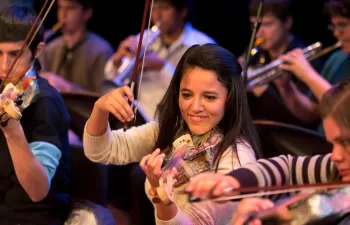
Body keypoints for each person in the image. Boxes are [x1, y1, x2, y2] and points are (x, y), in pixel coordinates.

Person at [84, 43, 261, 225]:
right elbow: (100, 151)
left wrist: (163, 199)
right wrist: (100, 108)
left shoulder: (237, 157)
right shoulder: (172, 130)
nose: (195, 107)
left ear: (230, 99)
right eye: (186, 95)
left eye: (209, 97)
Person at [185, 79, 350, 225]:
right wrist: (234, 182)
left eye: (345, 142)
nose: (336, 156)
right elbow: (287, 170)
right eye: (333, 144)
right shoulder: (333, 169)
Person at [0, 5, 70, 225]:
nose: (4, 66)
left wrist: (12, 132)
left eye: (14, 54)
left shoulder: (45, 101)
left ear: (38, 51)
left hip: (28, 218)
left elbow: (38, 191)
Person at [104, 0, 216, 122]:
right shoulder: (144, 37)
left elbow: (203, 90)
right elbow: (113, 78)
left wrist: (163, 67)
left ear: (183, 11)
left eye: (164, 8)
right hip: (142, 119)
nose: (157, 15)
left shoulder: (203, 45)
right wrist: (118, 60)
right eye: (154, 9)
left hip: (182, 122)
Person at [243, 0, 323, 130]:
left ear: (287, 23)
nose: (258, 34)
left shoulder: (306, 60)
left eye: (267, 25)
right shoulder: (255, 53)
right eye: (255, 25)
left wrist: (264, 92)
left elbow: (305, 119)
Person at [278, 0, 350, 133]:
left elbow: (345, 110)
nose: (336, 33)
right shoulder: (336, 58)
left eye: (343, 25)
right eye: (334, 26)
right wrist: (286, 87)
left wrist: (307, 74)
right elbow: (310, 114)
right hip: (322, 142)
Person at [41, 0, 114, 93]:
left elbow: (105, 97)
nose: (63, 15)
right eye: (60, 8)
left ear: (87, 13)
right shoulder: (51, 48)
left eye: (70, 8)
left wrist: (68, 88)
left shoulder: (101, 51)